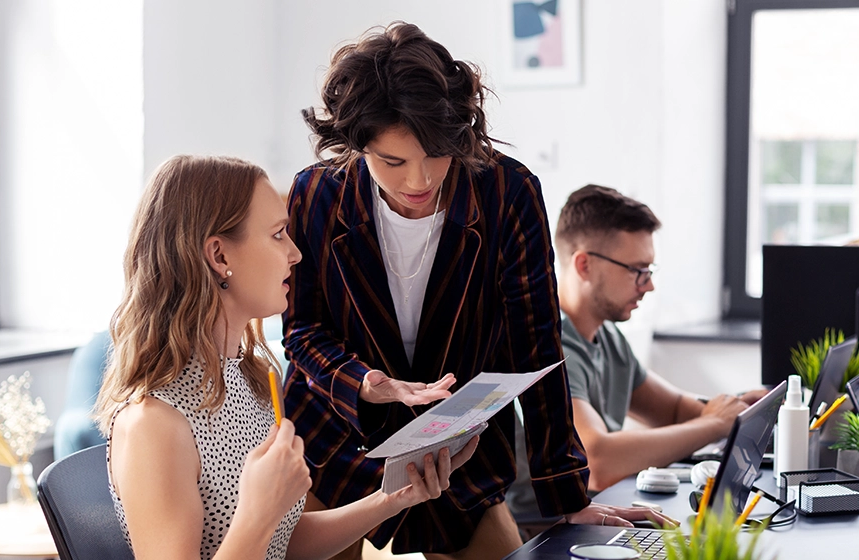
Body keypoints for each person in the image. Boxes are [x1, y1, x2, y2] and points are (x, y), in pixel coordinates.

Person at [283, 22, 674, 560]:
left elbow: (536, 348)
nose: (419, 180)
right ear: (356, 143)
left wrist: (567, 494)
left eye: (436, 154)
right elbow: (302, 330)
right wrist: (368, 384)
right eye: (393, 161)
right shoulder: (315, 194)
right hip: (336, 437)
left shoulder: (507, 192)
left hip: (458, 451)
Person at [94, 155, 477, 560]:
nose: (295, 254)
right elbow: (259, 529)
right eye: (278, 235)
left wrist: (395, 497)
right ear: (220, 257)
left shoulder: (246, 379)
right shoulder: (153, 423)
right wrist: (260, 511)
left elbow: (281, 543)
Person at [507, 185, 765, 534]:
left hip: (596, 511)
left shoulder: (607, 337)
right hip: (544, 529)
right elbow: (598, 460)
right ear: (584, 265)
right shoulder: (549, 344)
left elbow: (673, 410)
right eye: (637, 270)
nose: (648, 285)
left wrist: (741, 409)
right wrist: (715, 424)